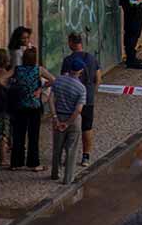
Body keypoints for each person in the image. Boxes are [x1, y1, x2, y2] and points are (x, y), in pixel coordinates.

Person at [9, 47, 52, 171]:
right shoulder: (38, 70)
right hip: (34, 106)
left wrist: (12, 87)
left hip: (20, 106)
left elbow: (2, 78)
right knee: (33, 136)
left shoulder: (17, 70)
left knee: (18, 135)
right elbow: (53, 80)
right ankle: (34, 163)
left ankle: (16, 163)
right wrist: (40, 89)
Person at [63, 33, 102, 167]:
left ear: (71, 43)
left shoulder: (68, 60)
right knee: (87, 127)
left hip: (71, 100)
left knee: (69, 127)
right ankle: (86, 156)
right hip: (88, 99)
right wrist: (92, 92)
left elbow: (65, 79)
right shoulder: (92, 58)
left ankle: (68, 155)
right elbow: (98, 79)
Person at [50, 56, 87, 184]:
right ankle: (68, 178)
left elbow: (51, 99)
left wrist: (55, 117)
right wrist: (68, 123)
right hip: (73, 121)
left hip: (59, 116)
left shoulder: (58, 80)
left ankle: (55, 173)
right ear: (80, 71)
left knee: (57, 148)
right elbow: (78, 110)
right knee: (72, 149)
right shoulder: (81, 88)